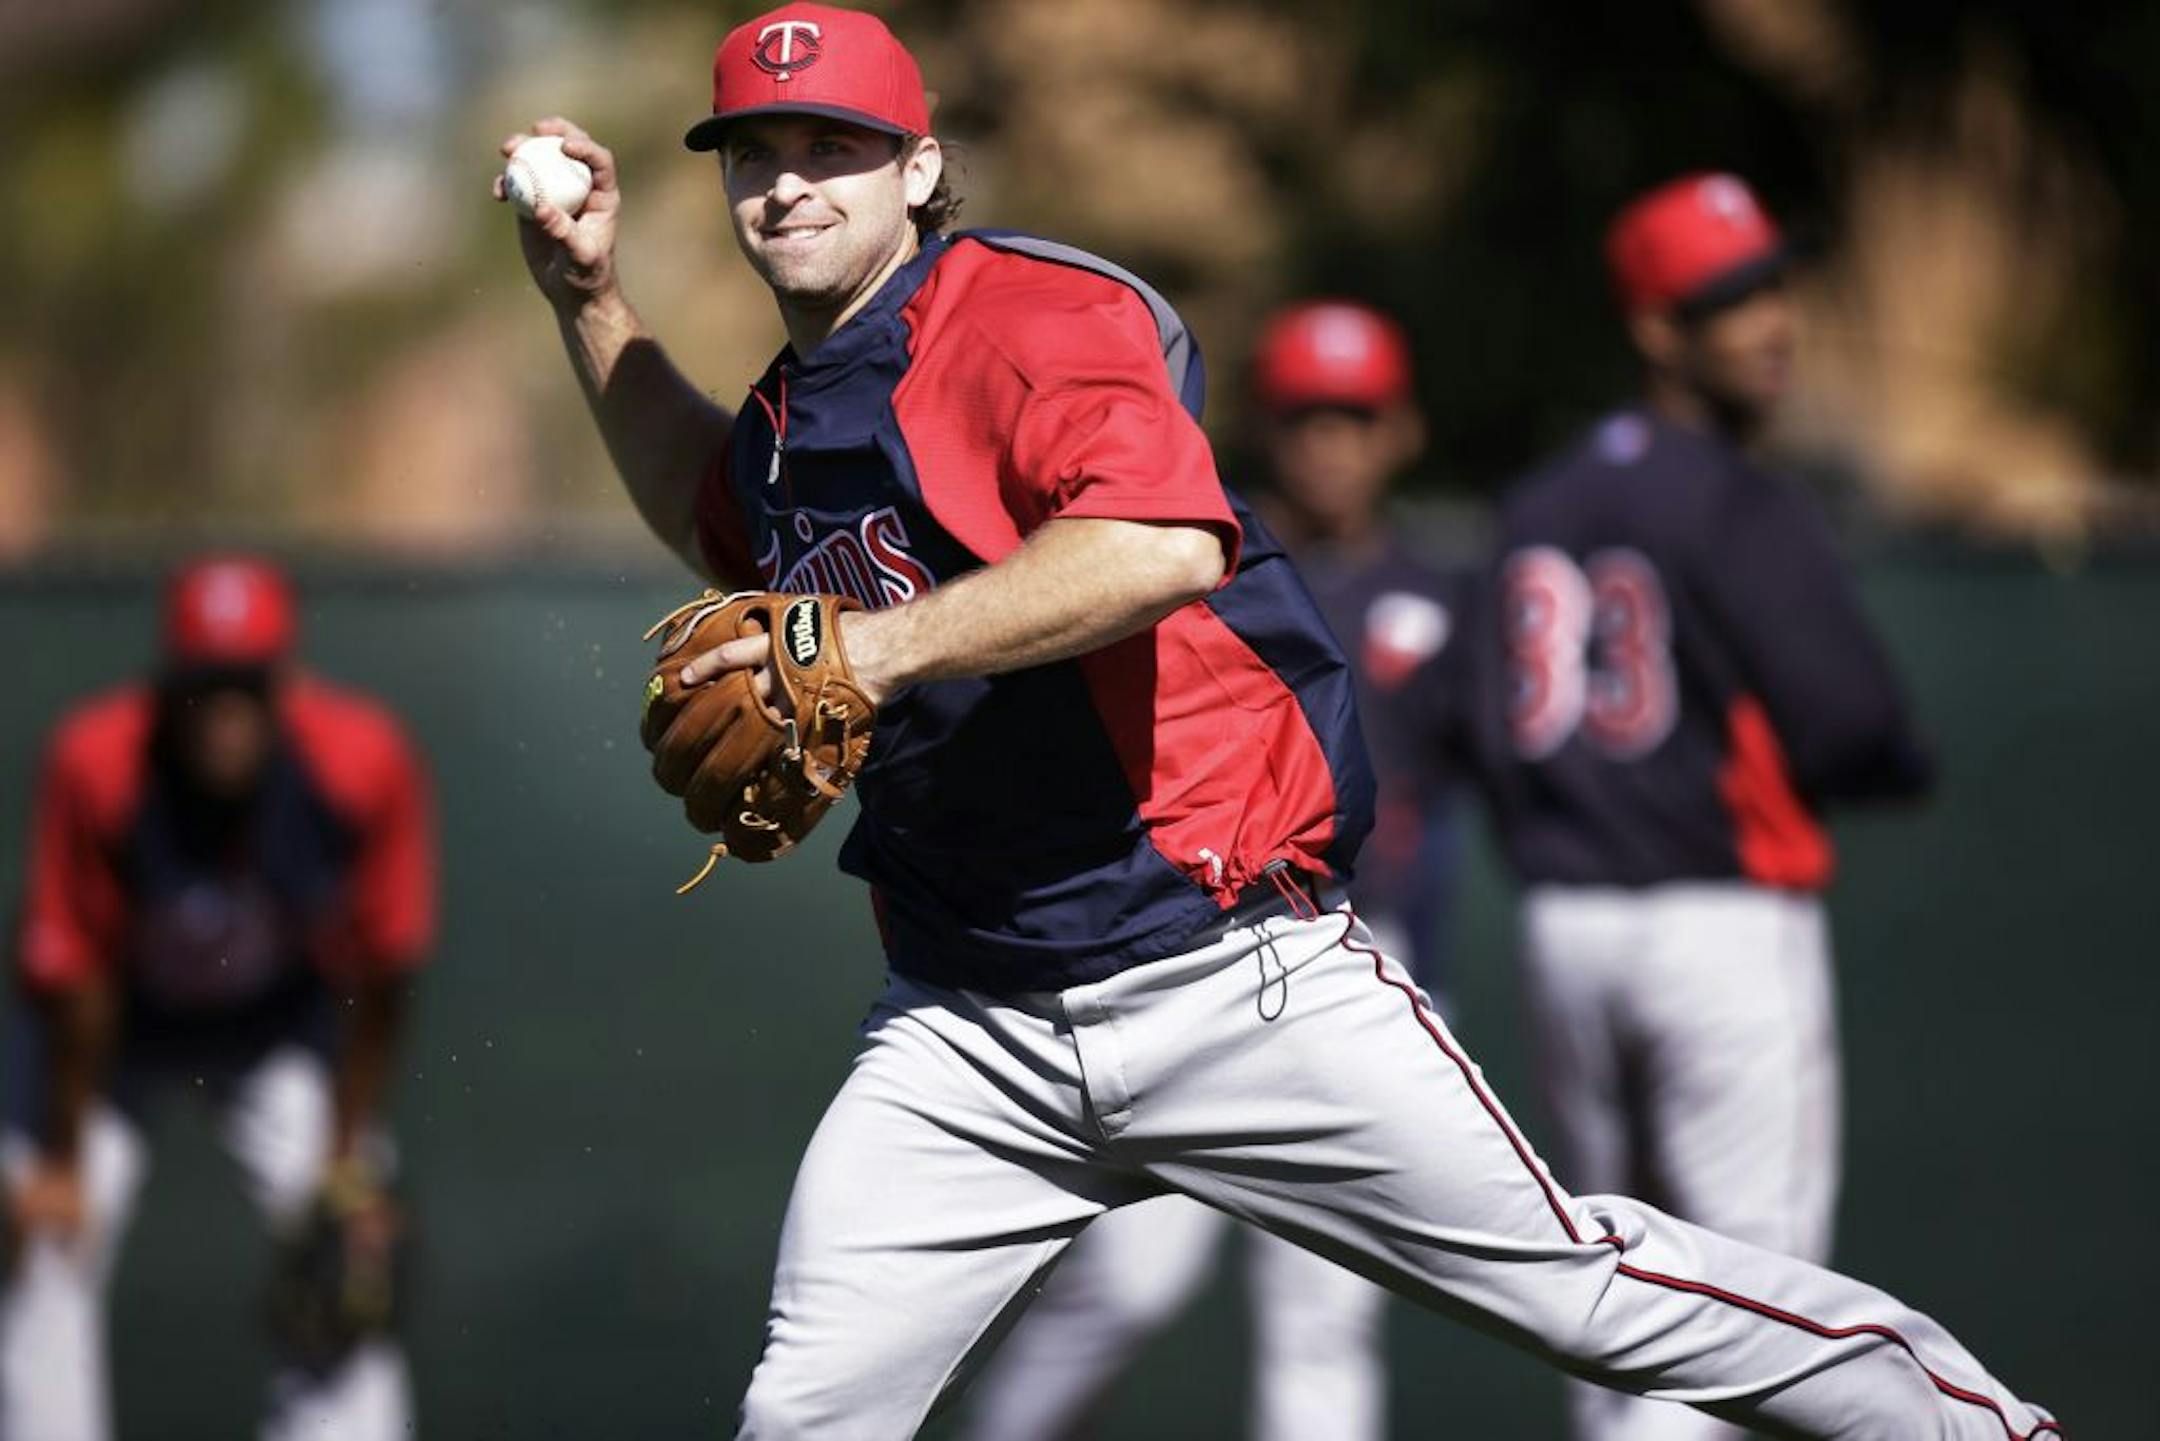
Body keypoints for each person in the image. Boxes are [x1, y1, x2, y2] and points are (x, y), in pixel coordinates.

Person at [498, 8, 2060, 1436]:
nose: (787, 186)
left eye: (834, 147)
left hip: (1224, 971)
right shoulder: (796, 406)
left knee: (1578, 1289)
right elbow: (710, 508)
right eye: (755, 156)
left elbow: (1163, 542)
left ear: (922, 169)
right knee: (805, 1414)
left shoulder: (1032, 319)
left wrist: (883, 651)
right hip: (966, 1026)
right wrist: (588, 296)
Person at [1469, 172, 1937, 1441]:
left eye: (1770, 283)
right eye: (1729, 299)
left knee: (1613, 1302)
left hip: (1567, 928)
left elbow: (1481, 731)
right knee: (1762, 1309)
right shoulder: (1733, 494)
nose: (1769, 320)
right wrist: (1893, 763)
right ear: (1658, 330)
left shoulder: (1539, 501)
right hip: (1718, 924)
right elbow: (1853, 727)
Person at [959, 300, 1464, 1441]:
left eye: (1356, 415)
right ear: (1267, 427)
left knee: (1323, 1309)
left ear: (1400, 430)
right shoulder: (1197, 556)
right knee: (1130, 1284)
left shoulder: (1440, 592)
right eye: (1307, 416)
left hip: (1357, 961)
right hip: (1196, 957)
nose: (1332, 441)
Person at [2, 556, 432, 1440]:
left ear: (284, 682)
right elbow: (71, 969)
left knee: (345, 1253)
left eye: (246, 686)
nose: (227, 716)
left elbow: (382, 974)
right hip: (113, 1036)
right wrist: (60, 1160)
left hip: (279, 1031)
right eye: (208, 686)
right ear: (169, 685)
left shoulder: (358, 762)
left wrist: (346, 1164)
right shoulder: (100, 761)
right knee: (35, 1234)